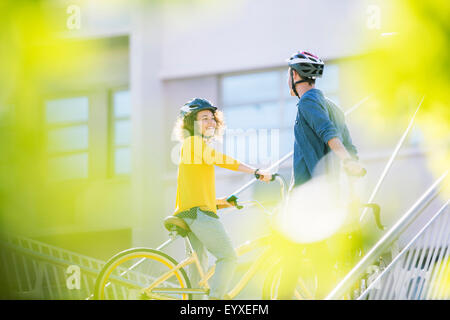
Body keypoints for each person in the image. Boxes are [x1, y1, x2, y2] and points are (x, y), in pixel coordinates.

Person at [276, 51, 366, 299]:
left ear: (295, 75)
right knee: (317, 260)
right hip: (324, 195)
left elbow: (330, 135)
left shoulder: (308, 101)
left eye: (288, 74)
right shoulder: (333, 106)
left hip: (307, 196)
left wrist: (347, 162)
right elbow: (350, 146)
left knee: (292, 261)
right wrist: (352, 166)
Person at [172, 98, 272, 300]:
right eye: (204, 118)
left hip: (191, 212)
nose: (210, 122)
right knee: (228, 257)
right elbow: (221, 160)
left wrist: (222, 202)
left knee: (198, 270)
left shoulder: (195, 149)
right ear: (192, 123)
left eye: (212, 118)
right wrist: (255, 171)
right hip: (199, 214)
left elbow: (196, 193)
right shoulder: (193, 143)